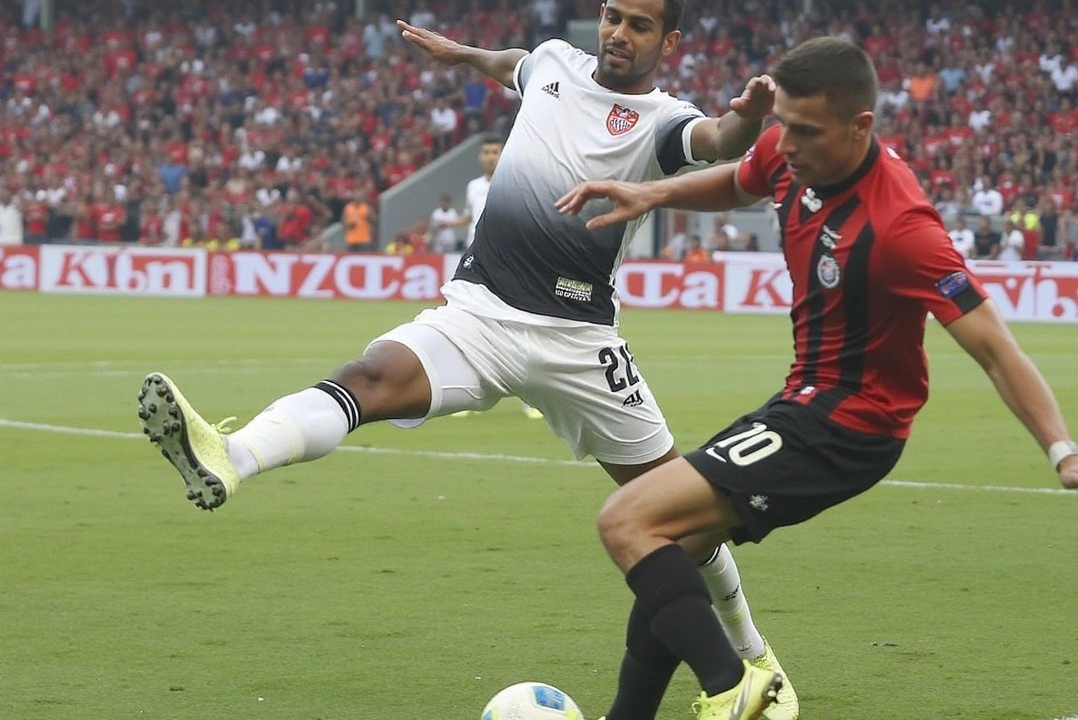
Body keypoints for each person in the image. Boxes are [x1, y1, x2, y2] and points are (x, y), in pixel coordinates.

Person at [135, 2, 799, 719]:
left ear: (667, 42)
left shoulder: (665, 119)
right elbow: (508, 61)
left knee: (680, 515)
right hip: (479, 313)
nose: (618, 32)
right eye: (611, 15)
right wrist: (461, 55)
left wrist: (750, 117)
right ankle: (232, 456)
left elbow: (718, 137)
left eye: (639, 24)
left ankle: (757, 661)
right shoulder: (549, 62)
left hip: (578, 341)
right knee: (370, 377)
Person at [556, 37, 1078, 720]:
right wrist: (651, 192)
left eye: (805, 131)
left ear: (860, 125)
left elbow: (995, 348)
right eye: (783, 125)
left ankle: (733, 685)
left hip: (850, 423)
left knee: (626, 521)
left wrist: (1062, 449)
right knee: (673, 552)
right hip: (805, 401)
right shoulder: (787, 146)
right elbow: (741, 178)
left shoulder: (901, 228)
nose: (789, 145)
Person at [453, 133, 546, 420]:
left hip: (510, 260)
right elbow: (471, 218)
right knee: (465, 326)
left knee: (522, 325)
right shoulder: (473, 187)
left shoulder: (518, 180)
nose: (491, 156)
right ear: (480, 156)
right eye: (487, 152)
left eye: (496, 151)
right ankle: (463, 396)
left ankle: (533, 398)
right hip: (475, 261)